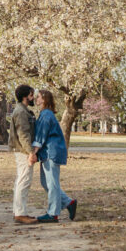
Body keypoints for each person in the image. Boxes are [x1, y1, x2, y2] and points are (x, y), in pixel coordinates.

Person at [29, 89, 77, 223]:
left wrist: (33, 153)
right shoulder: (45, 114)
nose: (36, 99)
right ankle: (69, 203)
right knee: (46, 182)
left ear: (44, 99)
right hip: (48, 152)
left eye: (38, 97)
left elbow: (41, 136)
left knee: (52, 183)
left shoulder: (46, 115)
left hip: (51, 152)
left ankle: (53, 213)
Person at [8, 84, 39, 224]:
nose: (34, 97)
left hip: (22, 150)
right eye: (32, 95)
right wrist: (31, 153)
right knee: (24, 181)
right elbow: (23, 134)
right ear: (25, 97)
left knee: (21, 180)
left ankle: (19, 211)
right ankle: (20, 214)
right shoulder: (21, 112)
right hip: (23, 151)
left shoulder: (23, 110)